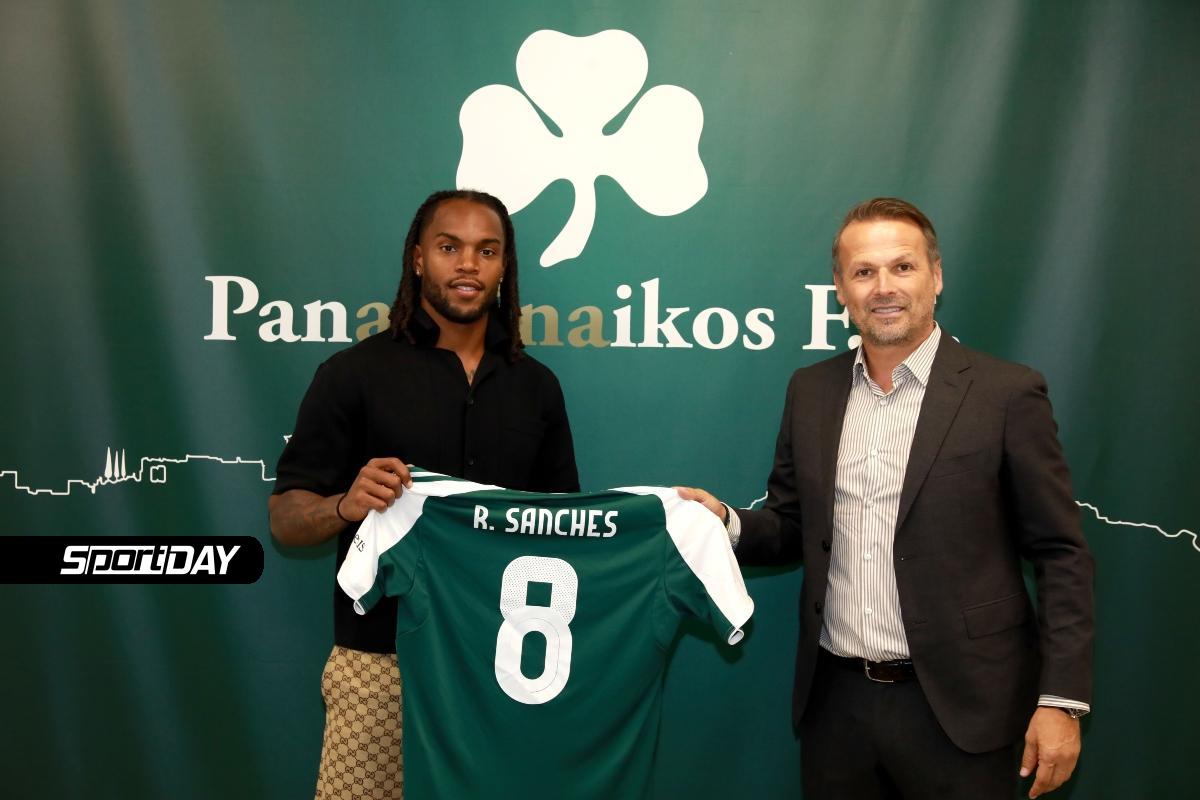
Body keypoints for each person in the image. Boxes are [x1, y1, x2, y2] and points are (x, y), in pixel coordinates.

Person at [679, 198, 1093, 800]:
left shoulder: (1006, 394)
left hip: (965, 710)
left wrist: (1061, 700)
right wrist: (726, 523)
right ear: (840, 289)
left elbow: (1060, 553)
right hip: (836, 709)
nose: (883, 288)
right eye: (864, 272)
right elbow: (792, 525)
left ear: (936, 276)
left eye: (902, 267)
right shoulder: (811, 391)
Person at [269, 189, 579, 799]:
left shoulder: (537, 388)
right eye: (448, 247)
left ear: (504, 266)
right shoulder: (353, 374)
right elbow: (285, 518)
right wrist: (345, 505)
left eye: (486, 251)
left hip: (500, 667)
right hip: (378, 664)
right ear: (417, 258)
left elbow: (562, 529)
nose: (468, 264)